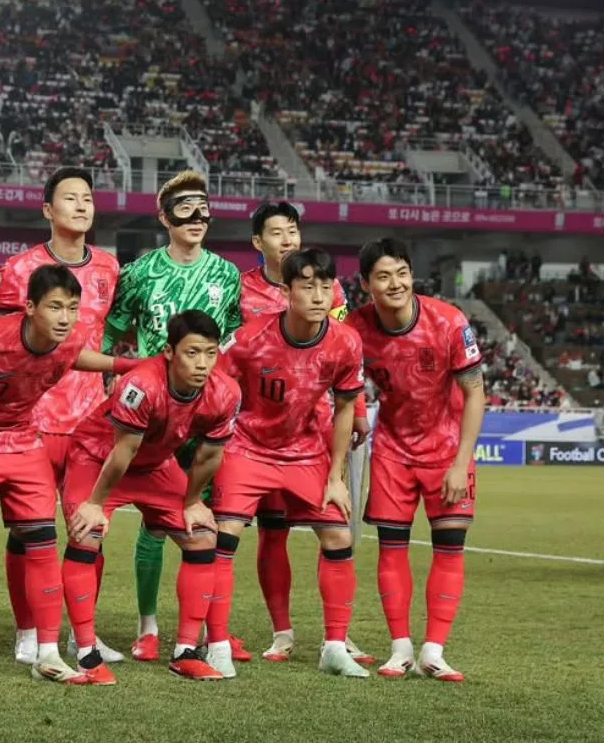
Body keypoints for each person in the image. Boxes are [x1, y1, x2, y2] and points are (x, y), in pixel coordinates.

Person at [0, 265, 139, 688]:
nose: (65, 317)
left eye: (72, 307)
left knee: (44, 544)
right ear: (30, 307)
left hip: (22, 438)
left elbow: (74, 357)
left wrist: (127, 363)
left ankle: (47, 653)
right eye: (55, 307)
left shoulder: (72, 339)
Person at [100, 170, 242, 662]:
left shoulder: (227, 275)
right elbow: (110, 334)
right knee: (155, 525)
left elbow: (235, 342)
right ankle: (148, 627)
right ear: (164, 217)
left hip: (206, 414)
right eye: (185, 208)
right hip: (152, 414)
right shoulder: (139, 273)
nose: (198, 217)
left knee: (205, 517)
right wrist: (109, 386)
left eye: (204, 207)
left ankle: (206, 629)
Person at [207, 248, 368, 679]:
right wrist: (214, 447)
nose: (317, 295)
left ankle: (334, 646)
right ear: (286, 290)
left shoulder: (346, 341)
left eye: (325, 285)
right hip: (248, 447)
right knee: (224, 536)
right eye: (306, 285)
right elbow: (216, 387)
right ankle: (217, 644)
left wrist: (335, 476)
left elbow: (346, 407)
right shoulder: (248, 339)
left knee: (337, 535)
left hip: (305, 451)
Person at [0, 167, 122, 665]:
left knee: (90, 528)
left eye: (88, 197)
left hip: (91, 423)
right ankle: (28, 632)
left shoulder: (109, 269)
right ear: (47, 209)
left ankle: (82, 634)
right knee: (28, 531)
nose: (82, 205)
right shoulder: (20, 270)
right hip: (32, 422)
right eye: (70, 198)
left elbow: (114, 335)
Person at [64, 311, 241, 684]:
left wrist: (193, 500)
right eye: (192, 353)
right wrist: (95, 504)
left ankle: (186, 651)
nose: (202, 363)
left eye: (210, 353)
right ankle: (85, 653)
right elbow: (122, 452)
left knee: (203, 537)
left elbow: (210, 455)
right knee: (86, 534)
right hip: (100, 457)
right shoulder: (141, 384)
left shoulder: (225, 392)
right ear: (168, 352)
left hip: (155, 464)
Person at [346, 237, 486, 682]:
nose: (396, 283)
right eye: (384, 276)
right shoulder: (356, 328)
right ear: (366, 284)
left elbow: (475, 391)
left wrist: (461, 462)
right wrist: (357, 417)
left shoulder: (448, 322)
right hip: (392, 450)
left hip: (446, 448)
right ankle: (401, 648)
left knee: (449, 547)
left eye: (402, 273)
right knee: (392, 548)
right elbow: (341, 385)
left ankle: (434, 651)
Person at [239, 201, 372, 664]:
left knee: (335, 529)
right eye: (276, 232)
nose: (287, 239)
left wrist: (355, 414)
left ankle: (340, 634)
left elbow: (343, 355)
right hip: (264, 432)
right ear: (259, 242)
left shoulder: (331, 292)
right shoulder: (243, 293)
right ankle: (282, 632)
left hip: (321, 430)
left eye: (292, 231)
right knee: (271, 532)